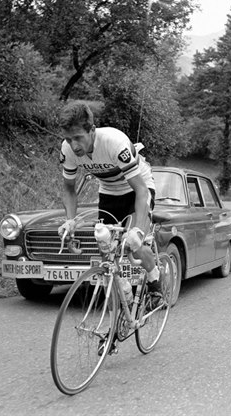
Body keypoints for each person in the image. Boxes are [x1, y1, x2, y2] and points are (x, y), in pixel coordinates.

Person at [57, 102, 162, 309]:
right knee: (104, 241)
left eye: (78, 137)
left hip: (137, 187)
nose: (74, 145)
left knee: (134, 242)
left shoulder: (115, 142)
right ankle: (123, 291)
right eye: (69, 139)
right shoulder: (67, 149)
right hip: (109, 190)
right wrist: (70, 221)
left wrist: (139, 230)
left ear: (92, 130)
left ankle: (155, 281)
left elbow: (141, 191)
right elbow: (69, 189)